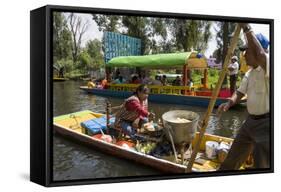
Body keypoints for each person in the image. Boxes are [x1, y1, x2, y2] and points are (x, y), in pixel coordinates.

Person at [218, 23, 270, 170]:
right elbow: (240, 92)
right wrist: (229, 103)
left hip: (267, 124)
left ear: (260, 51)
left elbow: (261, 55)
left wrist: (246, 28)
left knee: (262, 166)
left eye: (247, 51)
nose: (244, 55)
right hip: (250, 122)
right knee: (231, 160)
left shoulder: (269, 67)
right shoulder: (249, 72)